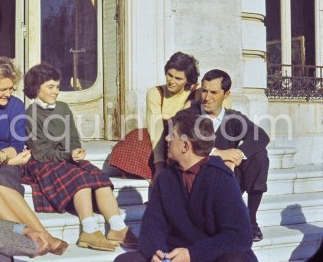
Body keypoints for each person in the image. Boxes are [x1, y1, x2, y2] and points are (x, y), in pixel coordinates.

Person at [0, 56, 68, 255]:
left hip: (4, 160)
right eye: (2, 89)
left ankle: (43, 234)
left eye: (10, 89)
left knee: (2, 184)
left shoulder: (15, 105)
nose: (8, 94)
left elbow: (16, 144)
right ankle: (29, 234)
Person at [22, 63, 136, 252]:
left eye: (57, 87)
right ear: (36, 88)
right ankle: (89, 231)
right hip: (44, 162)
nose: (56, 91)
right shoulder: (30, 115)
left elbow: (73, 136)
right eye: (50, 87)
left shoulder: (63, 108)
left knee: (99, 177)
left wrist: (76, 150)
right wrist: (68, 155)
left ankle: (118, 228)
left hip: (67, 158)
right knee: (80, 178)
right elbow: (41, 152)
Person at [115, 111, 257, 262]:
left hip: (211, 256)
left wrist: (192, 254)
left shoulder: (222, 178)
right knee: (125, 260)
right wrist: (157, 254)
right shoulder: (165, 179)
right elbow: (152, 226)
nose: (167, 138)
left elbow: (239, 235)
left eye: (172, 135)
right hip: (174, 255)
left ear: (185, 146)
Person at [182, 69, 270, 242]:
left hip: (228, 179)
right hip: (198, 180)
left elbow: (262, 136)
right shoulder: (188, 115)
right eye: (204, 90)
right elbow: (181, 145)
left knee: (260, 156)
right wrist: (220, 154)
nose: (207, 97)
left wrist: (238, 155)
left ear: (226, 94)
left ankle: (250, 220)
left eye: (214, 92)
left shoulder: (233, 118)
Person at [144, 51, 200, 180]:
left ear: (188, 80)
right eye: (170, 75)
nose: (172, 81)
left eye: (178, 78)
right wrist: (159, 165)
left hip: (187, 143)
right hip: (161, 141)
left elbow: (220, 102)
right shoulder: (155, 93)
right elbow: (156, 128)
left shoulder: (196, 91)